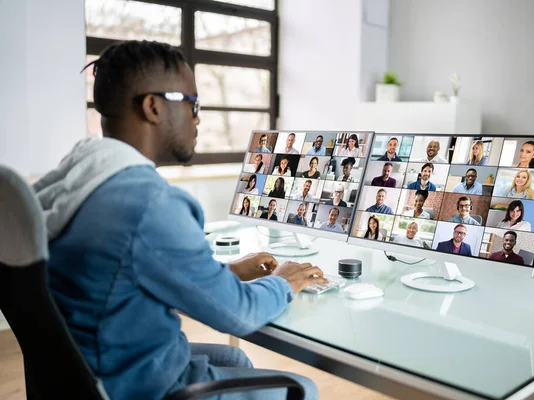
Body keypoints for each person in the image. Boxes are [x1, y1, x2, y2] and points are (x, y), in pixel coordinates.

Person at [32, 40, 324, 400]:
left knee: (233, 356)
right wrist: (283, 282)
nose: (198, 117)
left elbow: (127, 270)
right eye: (192, 103)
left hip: (89, 368)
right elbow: (241, 315)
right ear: (153, 107)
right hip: (140, 386)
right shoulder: (150, 203)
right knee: (304, 388)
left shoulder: (78, 178)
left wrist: (227, 273)